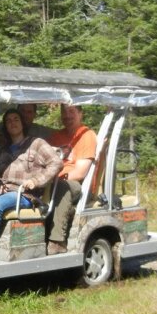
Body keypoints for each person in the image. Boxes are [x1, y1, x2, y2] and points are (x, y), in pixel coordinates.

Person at [0, 109, 62, 263]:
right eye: (8, 121)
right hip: (5, 191)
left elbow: (56, 162)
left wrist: (36, 180)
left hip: (26, 195)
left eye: (16, 119)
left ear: (23, 123)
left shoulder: (36, 143)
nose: (12, 123)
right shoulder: (3, 149)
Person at [45, 105, 97, 254]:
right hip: (55, 179)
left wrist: (54, 179)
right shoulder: (56, 136)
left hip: (77, 185)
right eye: (64, 112)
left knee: (62, 187)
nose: (67, 115)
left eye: (71, 111)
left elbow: (80, 172)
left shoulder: (87, 135)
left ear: (81, 113)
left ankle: (57, 241)